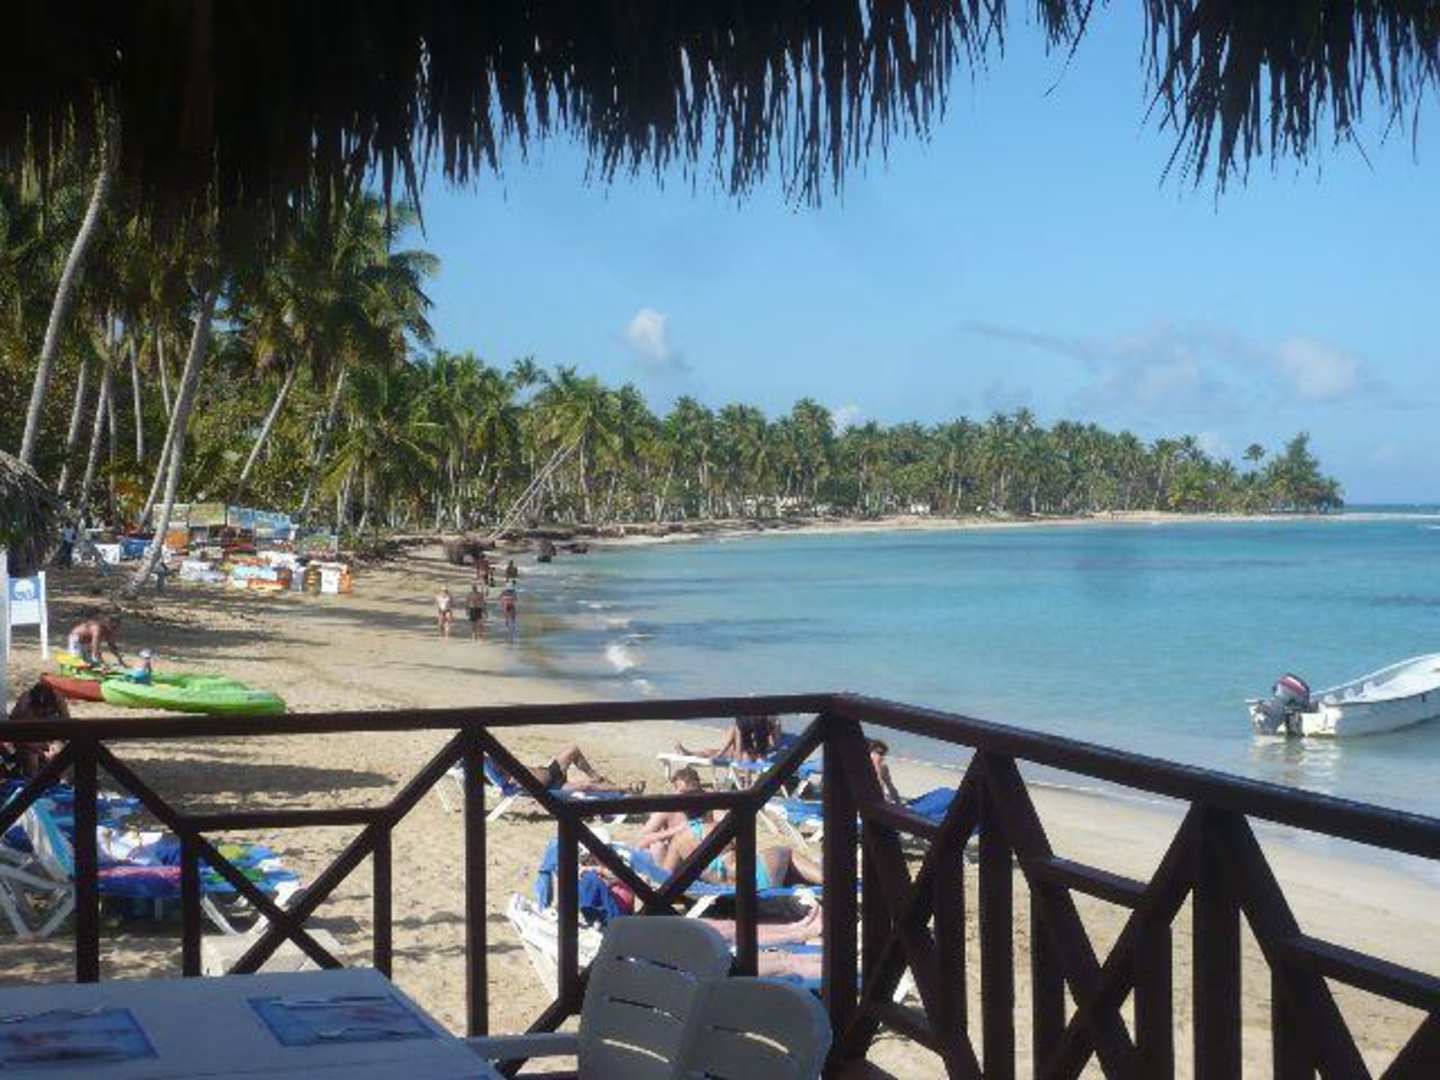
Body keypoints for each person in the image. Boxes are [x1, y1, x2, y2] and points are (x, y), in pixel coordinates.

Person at [657, 812, 822, 890]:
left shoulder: (678, 843)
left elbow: (664, 877)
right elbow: (747, 854)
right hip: (757, 880)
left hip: (733, 893)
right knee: (786, 852)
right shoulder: (714, 829)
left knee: (787, 869)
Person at [631, 767, 706, 861]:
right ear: (676, 792)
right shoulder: (668, 810)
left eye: (694, 792)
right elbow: (641, 841)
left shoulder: (709, 807)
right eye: (684, 793)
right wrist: (676, 830)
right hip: (675, 861)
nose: (690, 798)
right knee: (657, 847)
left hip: (705, 858)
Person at [3, 682, 67, 778]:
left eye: (47, 709)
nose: (43, 712)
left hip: (46, 735)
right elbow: (18, 736)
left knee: (62, 757)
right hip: (25, 738)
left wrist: (57, 744)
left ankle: (58, 782)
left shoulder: (58, 699)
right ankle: (32, 782)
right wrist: (41, 753)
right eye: (41, 710)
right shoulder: (23, 707)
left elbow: (66, 723)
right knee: (32, 761)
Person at [521, 745, 645, 795]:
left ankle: (595, 776)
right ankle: (626, 788)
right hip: (553, 787)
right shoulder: (511, 776)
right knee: (586, 786)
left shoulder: (509, 764)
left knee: (573, 750)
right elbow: (516, 787)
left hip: (551, 771)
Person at [869, 739, 904, 804]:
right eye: (880, 753)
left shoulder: (883, 768)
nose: (882, 757)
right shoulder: (863, 765)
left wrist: (898, 802)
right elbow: (879, 783)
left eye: (883, 754)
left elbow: (890, 786)